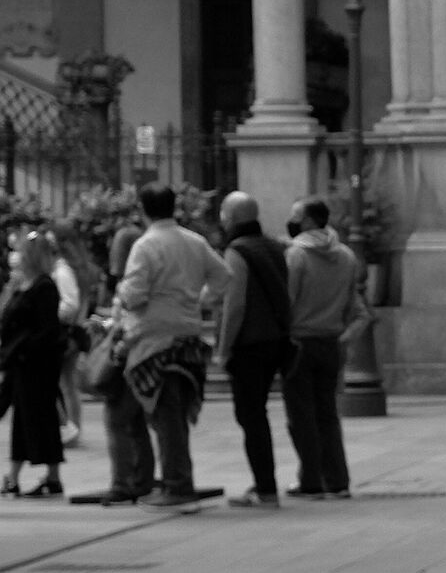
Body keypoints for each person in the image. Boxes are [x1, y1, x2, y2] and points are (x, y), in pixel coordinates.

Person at [115, 182, 229, 508]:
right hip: (188, 334)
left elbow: (134, 294)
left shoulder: (146, 245)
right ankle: (172, 478)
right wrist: (199, 300)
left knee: (164, 414)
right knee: (173, 414)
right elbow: (223, 276)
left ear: (142, 209)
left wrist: (123, 292)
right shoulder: (194, 242)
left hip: (153, 337)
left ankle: (176, 483)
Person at [213, 192, 293, 509]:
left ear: (231, 217)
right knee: (257, 414)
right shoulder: (274, 246)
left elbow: (235, 305)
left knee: (251, 416)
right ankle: (266, 484)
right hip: (276, 339)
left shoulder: (238, 251)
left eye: (222, 211)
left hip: (250, 344)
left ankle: (265, 487)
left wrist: (224, 348)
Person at [283, 196, 364, 500]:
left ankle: (311, 479)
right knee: (328, 413)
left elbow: (287, 300)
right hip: (331, 342)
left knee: (301, 415)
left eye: (294, 215)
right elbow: (352, 303)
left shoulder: (296, 256)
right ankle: (337, 479)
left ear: (307, 221)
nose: (290, 221)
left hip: (300, 341)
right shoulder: (345, 256)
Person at [1, 228, 69, 497]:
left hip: (35, 365)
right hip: (20, 363)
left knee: (39, 418)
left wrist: (23, 349)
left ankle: (39, 476)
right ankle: (19, 476)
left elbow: (46, 330)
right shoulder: (23, 284)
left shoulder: (44, 287)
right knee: (25, 420)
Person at [48, 218, 98, 447]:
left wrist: (48, 314)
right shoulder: (78, 267)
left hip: (65, 332)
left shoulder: (63, 270)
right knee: (67, 383)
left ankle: (70, 429)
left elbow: (70, 304)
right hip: (74, 331)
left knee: (63, 383)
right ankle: (72, 428)